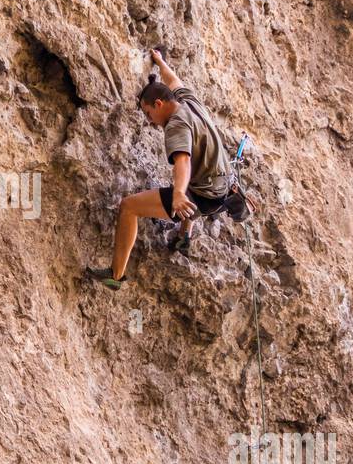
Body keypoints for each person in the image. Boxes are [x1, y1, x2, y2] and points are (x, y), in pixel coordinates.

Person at [85, 49, 247, 290]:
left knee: (129, 207)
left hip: (203, 196)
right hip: (222, 188)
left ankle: (115, 276)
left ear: (159, 104)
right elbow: (174, 81)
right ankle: (183, 238)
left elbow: (183, 161)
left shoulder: (175, 124)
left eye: (149, 113)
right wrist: (160, 62)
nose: (150, 121)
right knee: (188, 189)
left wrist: (179, 193)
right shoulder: (189, 102)